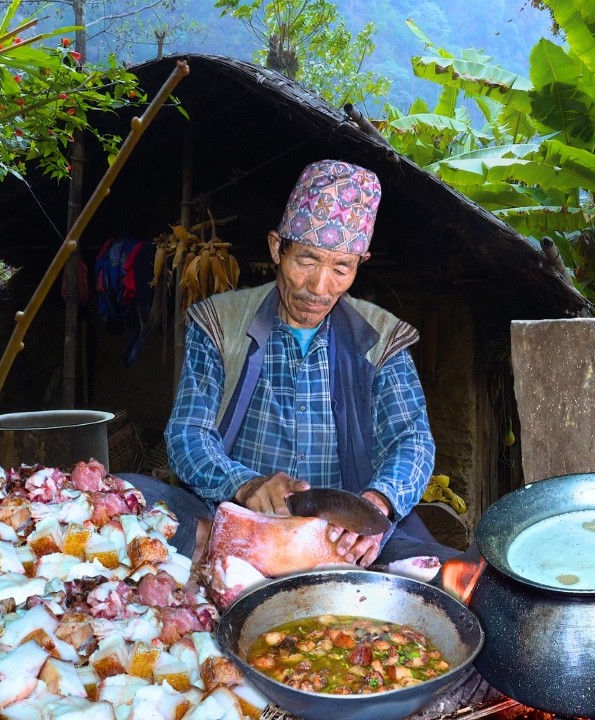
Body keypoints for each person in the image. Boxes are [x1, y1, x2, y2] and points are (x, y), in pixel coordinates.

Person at [162, 159, 454, 567]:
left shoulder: (382, 339)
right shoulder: (220, 323)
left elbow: (412, 441)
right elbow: (187, 435)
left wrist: (375, 504)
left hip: (340, 538)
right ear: (277, 247)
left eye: (341, 268)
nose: (319, 287)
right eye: (307, 260)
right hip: (236, 520)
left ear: (359, 264)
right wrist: (244, 485)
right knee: (134, 500)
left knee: (456, 577)